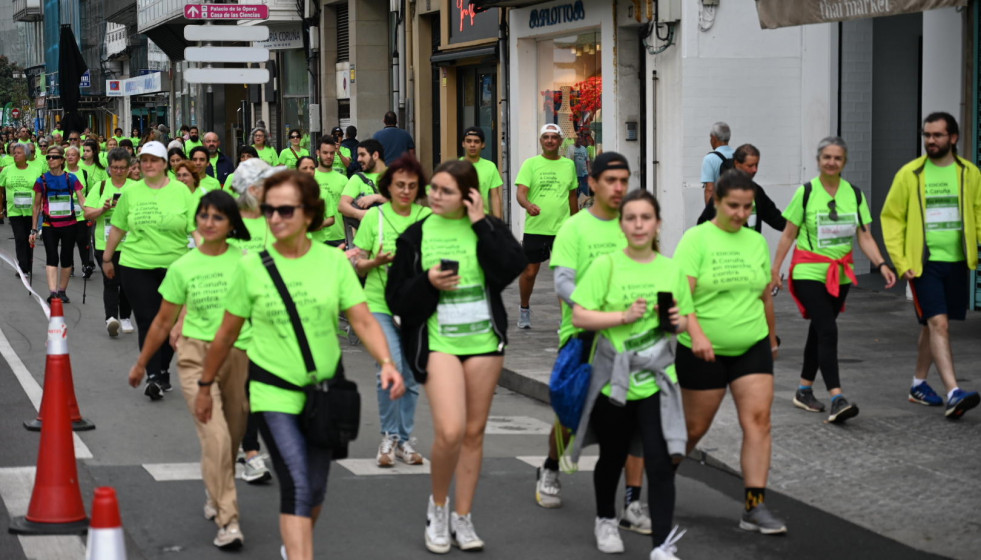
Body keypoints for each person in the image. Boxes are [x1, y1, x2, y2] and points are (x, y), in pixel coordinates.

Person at [196, 170, 404, 560]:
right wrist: (206, 385)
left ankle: (293, 546)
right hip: (272, 392)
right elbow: (226, 334)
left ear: (310, 214)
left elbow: (360, 318)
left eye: (285, 210)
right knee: (298, 485)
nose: (274, 218)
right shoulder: (251, 266)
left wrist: (388, 363)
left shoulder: (333, 262)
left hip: (324, 393)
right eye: (270, 210)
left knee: (317, 489)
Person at [386, 159, 526, 554]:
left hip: (483, 340)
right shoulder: (416, 235)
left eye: (445, 191)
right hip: (438, 342)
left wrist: (483, 224)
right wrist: (429, 282)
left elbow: (513, 267)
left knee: (473, 432)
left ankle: (463, 516)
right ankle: (439, 507)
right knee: (449, 431)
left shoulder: (487, 227)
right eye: (434, 189)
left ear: (468, 195)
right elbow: (396, 298)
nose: (434, 196)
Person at [568, 188, 691, 558]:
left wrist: (675, 321)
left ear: (657, 225)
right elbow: (580, 316)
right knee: (613, 456)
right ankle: (606, 518)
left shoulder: (671, 269)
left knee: (660, 460)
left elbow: (684, 321)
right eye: (631, 218)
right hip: (613, 382)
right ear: (622, 225)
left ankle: (662, 546)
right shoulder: (606, 265)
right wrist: (624, 317)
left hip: (656, 380)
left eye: (646, 218)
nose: (638, 225)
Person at [127, 190, 251, 549]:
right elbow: (162, 321)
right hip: (196, 356)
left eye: (218, 217)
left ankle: (215, 493)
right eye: (203, 216)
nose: (209, 223)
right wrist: (140, 364)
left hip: (239, 353)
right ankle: (229, 520)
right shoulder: (183, 266)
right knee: (216, 437)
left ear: (231, 225)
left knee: (233, 437)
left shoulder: (247, 262)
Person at [535, 152, 651, 533]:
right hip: (583, 335)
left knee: (636, 419)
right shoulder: (574, 228)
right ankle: (551, 466)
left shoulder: (634, 224)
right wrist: (600, 305)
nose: (619, 187)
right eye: (611, 180)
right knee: (570, 413)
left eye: (624, 180)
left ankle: (633, 501)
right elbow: (563, 282)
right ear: (593, 182)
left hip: (632, 335)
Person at [674, 169, 787, 536]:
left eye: (747, 208)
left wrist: (771, 339)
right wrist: (697, 334)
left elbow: (762, 294)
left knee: (758, 422)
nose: (741, 214)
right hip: (702, 350)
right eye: (733, 206)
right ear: (716, 202)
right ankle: (659, 474)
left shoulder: (755, 242)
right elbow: (681, 297)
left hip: (750, 345)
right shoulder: (696, 240)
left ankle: (755, 506)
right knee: (694, 429)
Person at [772, 137, 897, 423]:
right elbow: (789, 234)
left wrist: (881, 264)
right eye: (826, 157)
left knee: (820, 330)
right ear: (819, 160)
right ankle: (837, 397)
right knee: (828, 330)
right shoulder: (806, 193)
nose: (831, 162)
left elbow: (864, 235)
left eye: (837, 158)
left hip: (840, 274)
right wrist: (775, 270)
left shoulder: (854, 194)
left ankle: (804, 389)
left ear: (844, 161)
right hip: (808, 271)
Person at [880, 112, 981, 419]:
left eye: (937, 135)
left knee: (931, 324)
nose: (930, 141)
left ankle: (918, 384)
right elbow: (892, 218)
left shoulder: (969, 173)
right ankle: (953, 391)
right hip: (923, 264)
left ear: (953, 138)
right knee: (940, 324)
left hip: (958, 262)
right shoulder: (910, 174)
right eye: (927, 135)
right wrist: (901, 261)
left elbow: (977, 214)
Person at [102, 141, 199, 400]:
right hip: (136, 265)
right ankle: (153, 376)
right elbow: (119, 228)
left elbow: (195, 229)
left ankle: (163, 367)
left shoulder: (181, 192)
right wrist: (107, 258)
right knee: (147, 319)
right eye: (144, 160)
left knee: (170, 323)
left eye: (154, 160)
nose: (148, 165)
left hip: (175, 267)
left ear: (165, 164)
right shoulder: (132, 193)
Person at [353, 155, 431, 468]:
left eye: (412, 186)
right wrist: (376, 263)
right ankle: (387, 436)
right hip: (379, 304)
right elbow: (357, 264)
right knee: (390, 368)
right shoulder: (375, 218)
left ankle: (403, 439)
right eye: (400, 185)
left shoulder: (427, 217)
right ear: (388, 186)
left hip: (414, 308)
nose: (405, 191)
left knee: (411, 375)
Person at [515, 123, 578, 329]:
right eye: (546, 137)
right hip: (536, 228)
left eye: (554, 137)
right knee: (530, 273)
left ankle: (565, 319)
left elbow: (572, 195)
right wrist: (528, 205)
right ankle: (524, 308)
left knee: (564, 275)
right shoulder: (530, 164)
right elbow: (521, 192)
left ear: (560, 141)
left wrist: (575, 223)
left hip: (562, 230)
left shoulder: (569, 165)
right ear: (541, 141)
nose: (550, 140)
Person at [84, 148, 136, 337]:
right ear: (109, 168)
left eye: (123, 168)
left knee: (128, 283)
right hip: (104, 244)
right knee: (111, 280)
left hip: (131, 243)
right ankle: (111, 318)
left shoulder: (136, 187)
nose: (119, 171)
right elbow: (87, 213)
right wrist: (102, 208)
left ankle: (125, 316)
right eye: (115, 167)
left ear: (129, 168)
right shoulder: (101, 186)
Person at [29, 145, 86, 303]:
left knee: (67, 258)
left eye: (54, 157)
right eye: (48, 157)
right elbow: (36, 206)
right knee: (52, 257)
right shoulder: (42, 180)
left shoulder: (71, 178)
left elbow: (82, 200)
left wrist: (90, 213)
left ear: (62, 160)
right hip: (49, 226)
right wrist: (34, 229)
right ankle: (53, 291)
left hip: (69, 224)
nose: (50, 160)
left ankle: (62, 291)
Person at [696, 144, 786, 233]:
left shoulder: (757, 191)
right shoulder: (724, 191)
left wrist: (797, 228)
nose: (755, 170)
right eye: (750, 166)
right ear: (737, 164)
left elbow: (776, 219)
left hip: (751, 245)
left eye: (756, 165)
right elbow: (703, 225)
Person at [1, 143, 42, 276]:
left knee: (28, 237)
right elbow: (1, 187)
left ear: (26, 155)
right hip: (14, 210)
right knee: (19, 237)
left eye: (19, 152)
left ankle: (28, 263)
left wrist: (41, 204)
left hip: (31, 210)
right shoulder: (7, 170)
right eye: (14, 152)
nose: (15, 155)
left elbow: (40, 190)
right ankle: (22, 266)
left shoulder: (35, 170)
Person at [338, 139, 387, 240]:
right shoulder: (357, 178)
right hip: (365, 242)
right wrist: (360, 214)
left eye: (362, 155)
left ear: (375, 155)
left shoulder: (395, 175)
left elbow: (405, 202)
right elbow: (342, 206)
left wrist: (376, 197)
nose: (358, 159)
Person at [64, 146, 96, 279]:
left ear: (78, 158)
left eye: (73, 155)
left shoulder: (84, 173)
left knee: (83, 240)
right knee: (68, 242)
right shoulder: (60, 172)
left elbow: (89, 193)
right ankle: (69, 266)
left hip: (81, 213)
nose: (70, 157)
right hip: (65, 213)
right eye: (68, 155)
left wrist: (90, 211)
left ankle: (86, 265)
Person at [460, 126, 503, 218]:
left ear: (483, 145)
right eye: (468, 141)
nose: (472, 145)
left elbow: (495, 197)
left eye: (476, 141)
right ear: (463, 144)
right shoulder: (456, 166)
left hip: (481, 219)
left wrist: (498, 225)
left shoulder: (490, 167)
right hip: (459, 220)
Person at [313, 138, 348, 247]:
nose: (329, 156)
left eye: (332, 153)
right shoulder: (310, 177)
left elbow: (347, 211)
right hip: (314, 237)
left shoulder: (343, 180)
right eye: (325, 153)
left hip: (338, 236)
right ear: (318, 153)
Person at [701, 121, 733, 204]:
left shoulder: (710, 158)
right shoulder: (738, 155)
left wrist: (709, 213)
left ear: (714, 138)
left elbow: (709, 189)